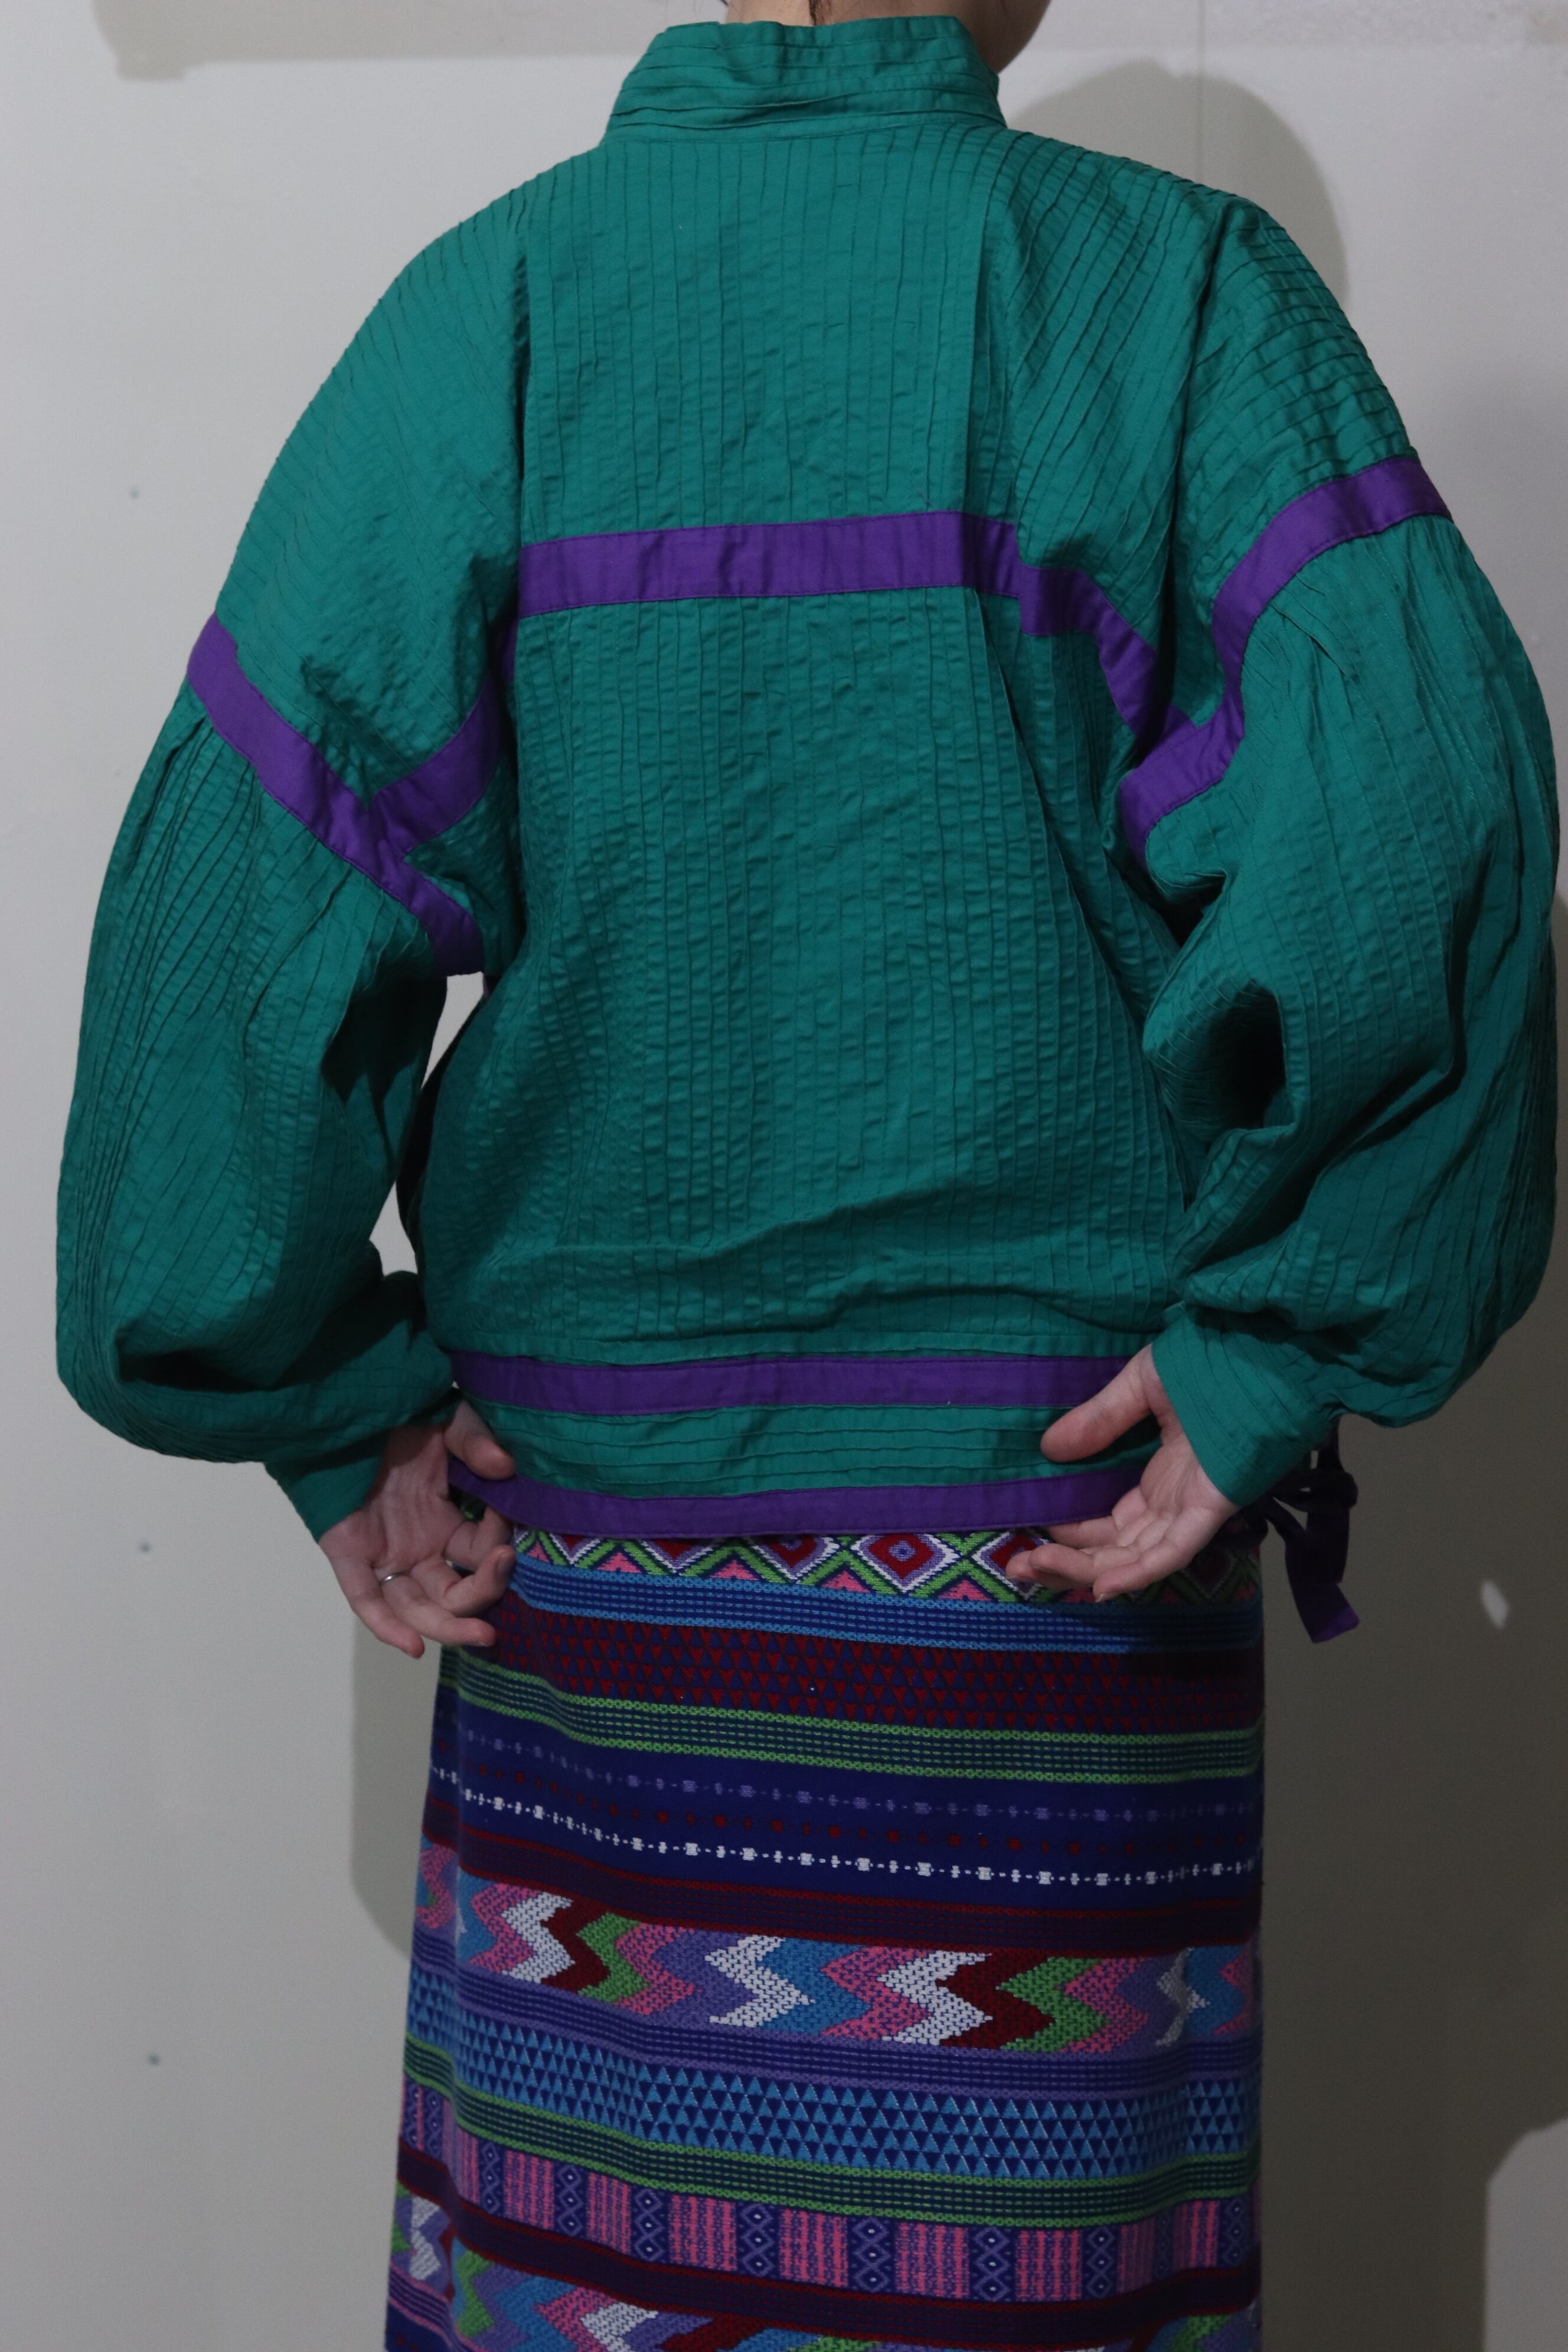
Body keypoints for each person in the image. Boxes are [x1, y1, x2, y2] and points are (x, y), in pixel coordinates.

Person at [57, 0, 1557, 2344]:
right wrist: (1282, 1339)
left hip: (602, 1600)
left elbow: (240, 916)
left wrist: (322, 1404)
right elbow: (1422, 832)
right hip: (1049, 1574)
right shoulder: (1171, 299)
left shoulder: (492, 318)